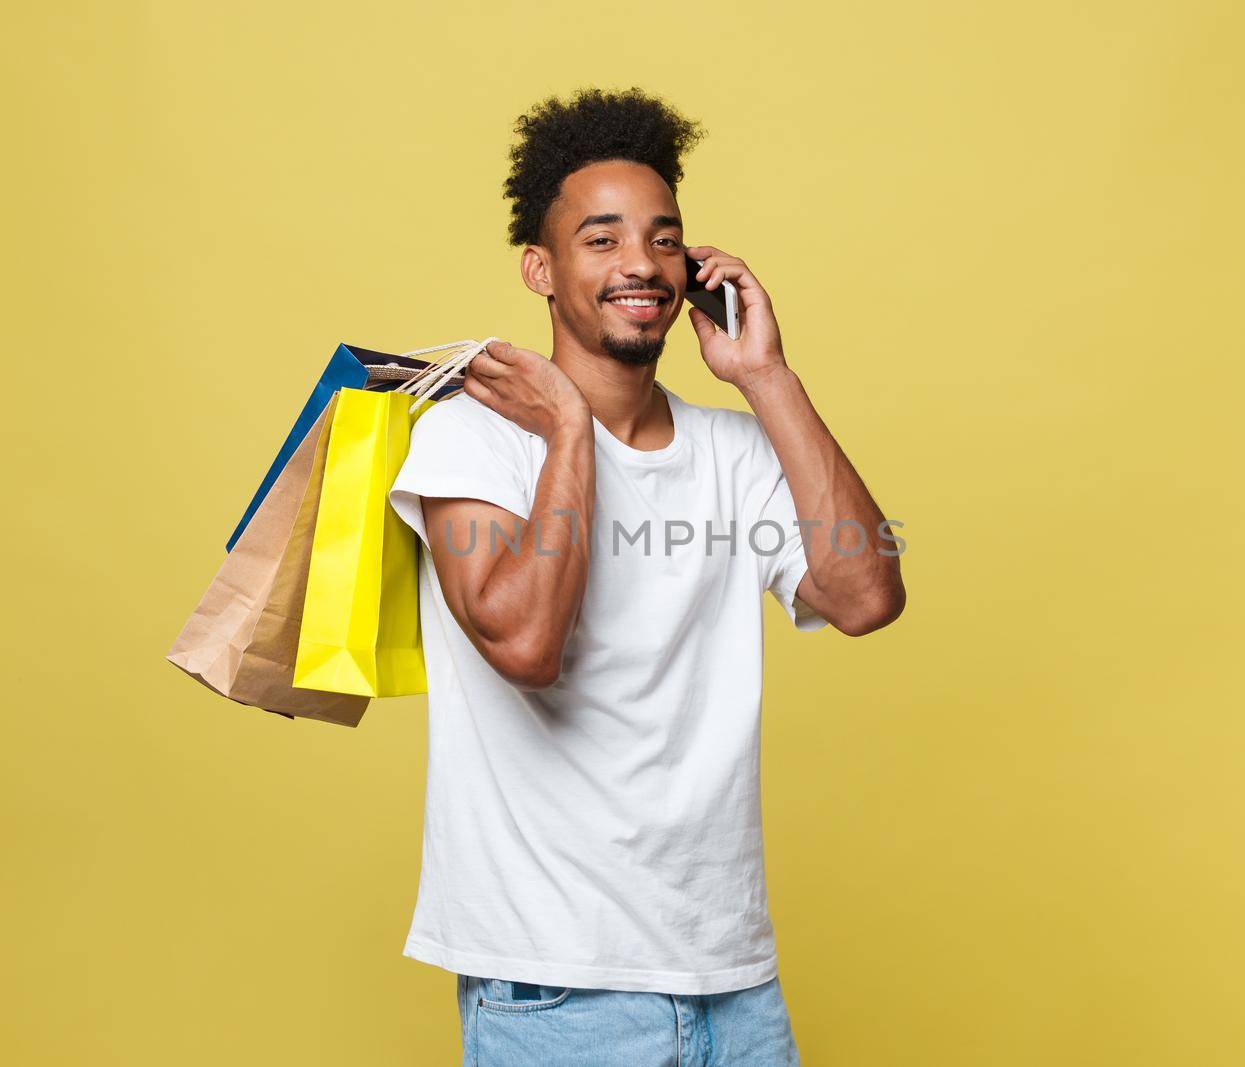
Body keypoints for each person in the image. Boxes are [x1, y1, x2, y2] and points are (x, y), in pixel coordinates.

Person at [388, 86, 906, 1067]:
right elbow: (527, 646)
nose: (639, 262)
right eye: (602, 238)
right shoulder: (466, 439)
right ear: (540, 269)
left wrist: (768, 378)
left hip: (733, 980)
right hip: (556, 983)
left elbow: (865, 595)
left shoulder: (736, 449)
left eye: (664, 238)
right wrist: (569, 432)